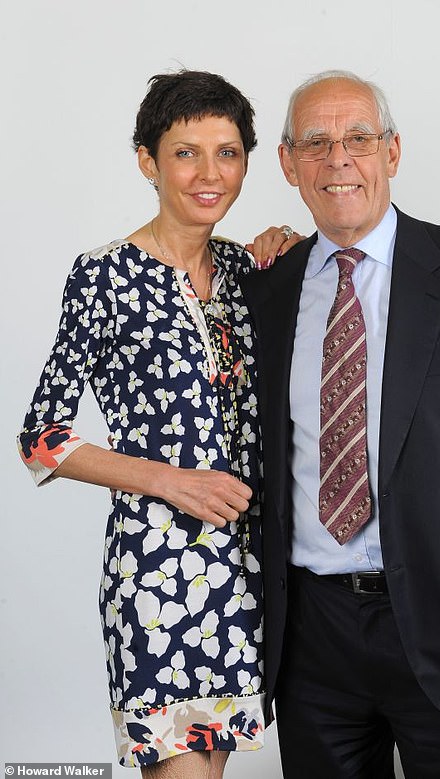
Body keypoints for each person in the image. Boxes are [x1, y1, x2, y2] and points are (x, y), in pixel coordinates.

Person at [240, 70, 440, 779]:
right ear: (289, 164)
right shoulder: (267, 287)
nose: (338, 159)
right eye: (315, 143)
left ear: (393, 151)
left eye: (358, 137)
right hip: (312, 643)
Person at [17, 70, 298, 778]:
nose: (209, 174)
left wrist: (294, 251)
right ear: (147, 159)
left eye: (227, 152)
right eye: (185, 152)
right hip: (157, 572)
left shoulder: (247, 270)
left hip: (245, 571)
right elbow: (42, 437)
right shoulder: (103, 276)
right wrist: (172, 481)